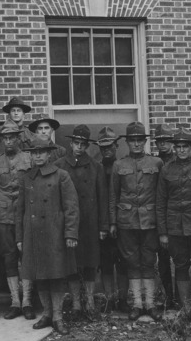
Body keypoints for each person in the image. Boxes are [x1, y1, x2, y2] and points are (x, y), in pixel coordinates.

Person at [16, 136, 79, 335]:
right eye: (34, 153)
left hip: (55, 233)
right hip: (33, 234)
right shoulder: (26, 177)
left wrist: (70, 233)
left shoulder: (61, 175)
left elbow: (71, 207)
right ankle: (47, 314)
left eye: (41, 152)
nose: (38, 156)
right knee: (40, 276)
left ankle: (58, 317)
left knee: (57, 276)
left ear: (49, 153)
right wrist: (19, 237)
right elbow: (20, 210)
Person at [155, 128, 191, 314]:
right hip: (175, 228)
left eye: (185, 147)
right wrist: (163, 232)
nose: (181, 150)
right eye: (178, 147)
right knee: (180, 265)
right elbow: (160, 203)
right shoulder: (166, 170)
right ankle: (187, 308)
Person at [110, 122, 163, 321]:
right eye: (132, 141)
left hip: (150, 220)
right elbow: (113, 197)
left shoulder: (156, 163)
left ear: (145, 141)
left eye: (140, 140)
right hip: (127, 221)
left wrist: (161, 223)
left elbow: (161, 195)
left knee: (149, 261)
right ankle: (136, 304)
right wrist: (113, 222)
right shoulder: (119, 165)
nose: (136, 144)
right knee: (132, 262)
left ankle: (150, 304)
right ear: (127, 142)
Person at [54, 124, 109, 321]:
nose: (79, 147)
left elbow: (103, 198)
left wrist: (103, 226)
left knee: (90, 263)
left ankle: (90, 302)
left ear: (87, 146)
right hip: (69, 223)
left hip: (90, 221)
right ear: (70, 143)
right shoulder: (60, 165)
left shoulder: (96, 167)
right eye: (76, 143)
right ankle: (76, 304)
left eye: (82, 144)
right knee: (72, 263)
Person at [0, 120, 34, 320]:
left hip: (25, 214)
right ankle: (15, 301)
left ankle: (28, 301)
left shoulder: (29, 158)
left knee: (27, 256)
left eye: (12, 137)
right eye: (5, 138)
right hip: (4, 215)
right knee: (8, 257)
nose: (8, 141)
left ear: (18, 138)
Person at [96, 127, 129, 312]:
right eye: (103, 147)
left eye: (110, 146)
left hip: (122, 221)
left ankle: (123, 298)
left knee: (123, 261)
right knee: (105, 262)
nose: (106, 150)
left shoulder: (123, 166)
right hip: (102, 223)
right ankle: (109, 299)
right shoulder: (96, 168)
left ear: (116, 146)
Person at [153, 123, 177, 308]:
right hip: (159, 216)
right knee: (163, 260)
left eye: (166, 140)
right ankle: (168, 296)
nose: (162, 144)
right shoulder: (153, 163)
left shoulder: (178, 162)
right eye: (159, 141)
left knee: (179, 259)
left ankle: (180, 296)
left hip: (177, 216)